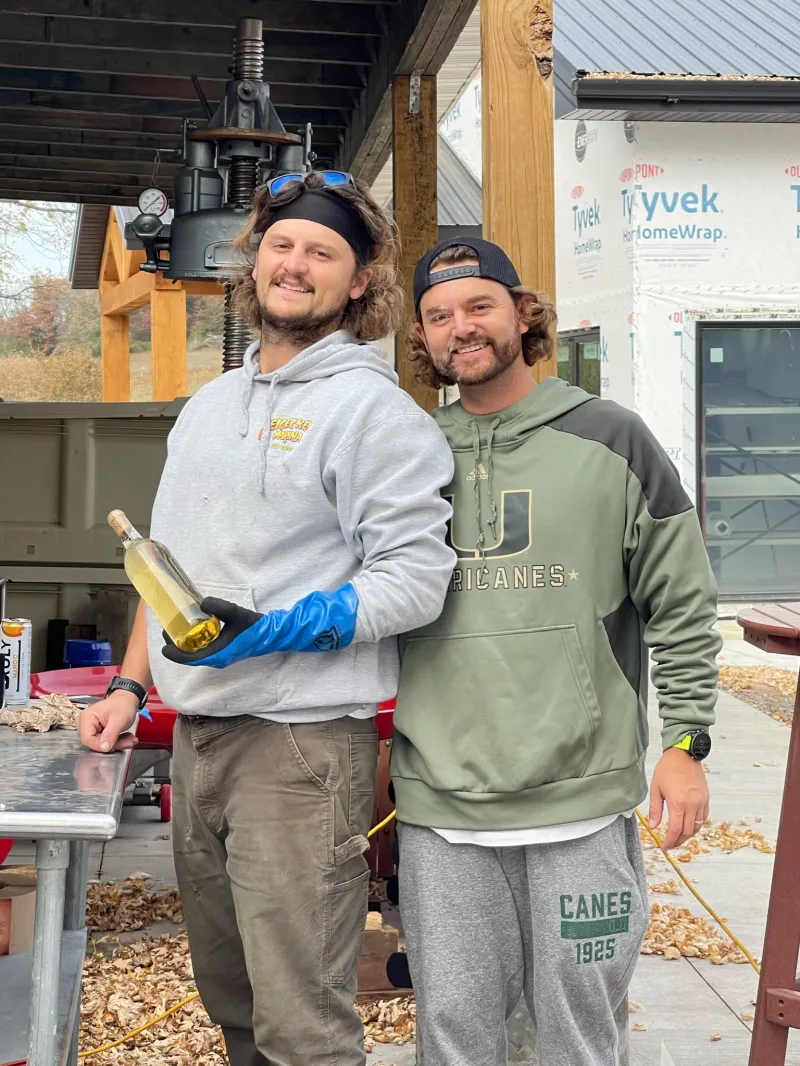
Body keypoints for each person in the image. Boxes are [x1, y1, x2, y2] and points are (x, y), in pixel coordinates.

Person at [77, 172, 456, 1066]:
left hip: (299, 749)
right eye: (281, 245)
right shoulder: (210, 406)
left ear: (359, 281)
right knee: (233, 1002)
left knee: (302, 1024)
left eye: (322, 252)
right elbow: (164, 567)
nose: (295, 265)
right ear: (255, 263)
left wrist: (279, 629)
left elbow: (416, 580)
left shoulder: (375, 414)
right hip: (197, 739)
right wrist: (130, 686)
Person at [390, 236, 722, 1066]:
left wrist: (686, 743)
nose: (459, 327)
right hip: (443, 811)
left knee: (576, 1035)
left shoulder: (614, 438)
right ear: (422, 340)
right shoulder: (405, 457)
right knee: (455, 1036)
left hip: (580, 805)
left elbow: (682, 605)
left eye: (478, 305)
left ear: (522, 314)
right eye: (437, 316)